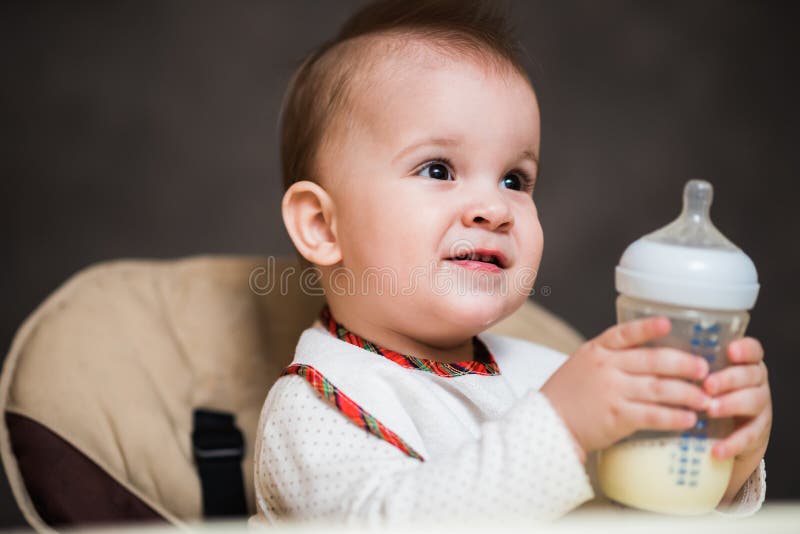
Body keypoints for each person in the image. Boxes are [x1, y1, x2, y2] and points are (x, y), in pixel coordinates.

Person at [250, 0, 771, 526]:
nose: (495, 209)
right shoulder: (318, 403)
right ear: (321, 225)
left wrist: (723, 454)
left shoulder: (548, 374)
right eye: (437, 169)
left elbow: (637, 514)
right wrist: (561, 427)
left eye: (514, 180)